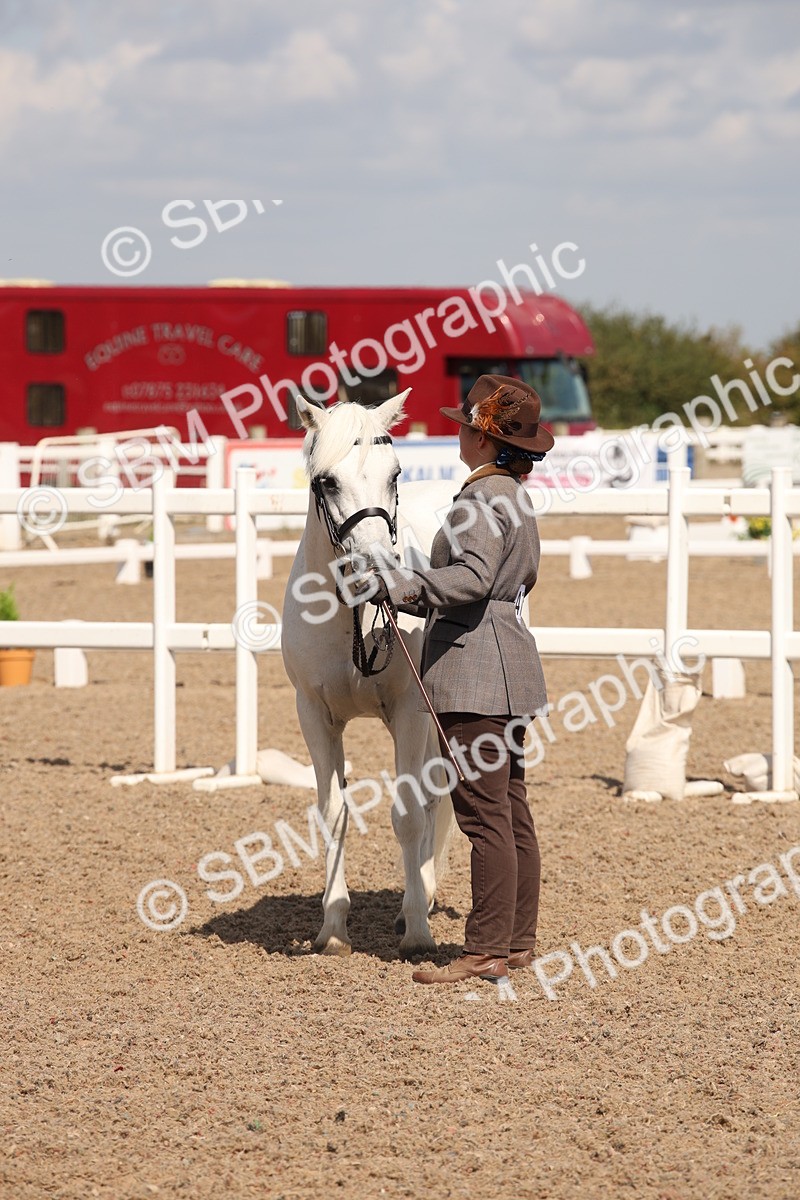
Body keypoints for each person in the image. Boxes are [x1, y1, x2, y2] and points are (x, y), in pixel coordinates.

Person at [365, 374, 554, 985]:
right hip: (511, 662)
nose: (458, 432)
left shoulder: (479, 499)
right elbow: (507, 581)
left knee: (481, 813)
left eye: (465, 425)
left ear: (482, 438)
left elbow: (471, 578)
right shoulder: (516, 496)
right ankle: (517, 940)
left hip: (474, 668)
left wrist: (407, 586)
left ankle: (487, 948)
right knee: (510, 806)